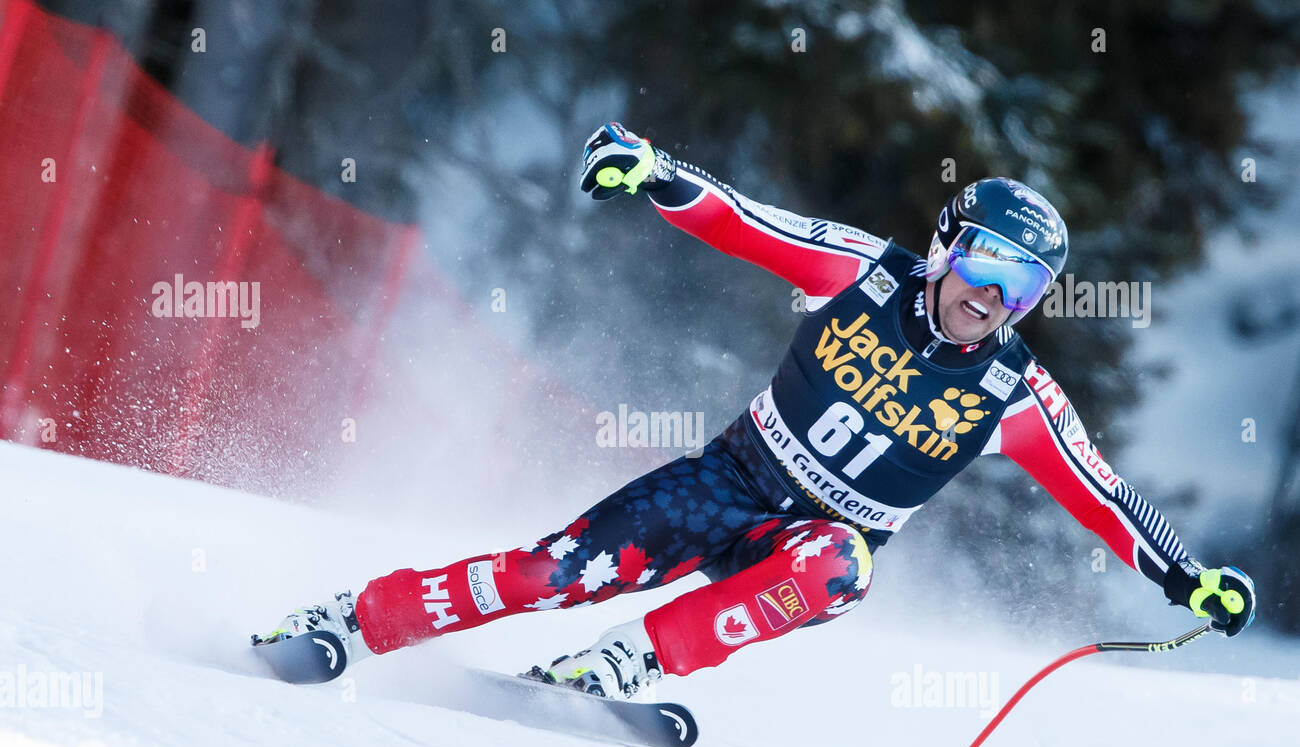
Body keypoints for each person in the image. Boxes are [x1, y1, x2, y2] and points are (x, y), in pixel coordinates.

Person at [255, 121, 1256, 696]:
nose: (992, 298)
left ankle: (626, 663)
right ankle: (352, 614)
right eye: (987, 264)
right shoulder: (865, 272)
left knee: (841, 567)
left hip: (815, 541)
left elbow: (1105, 494)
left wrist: (1191, 577)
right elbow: (747, 222)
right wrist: (653, 173)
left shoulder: (1013, 389)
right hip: (728, 482)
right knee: (554, 571)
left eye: (1023, 286)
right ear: (950, 244)